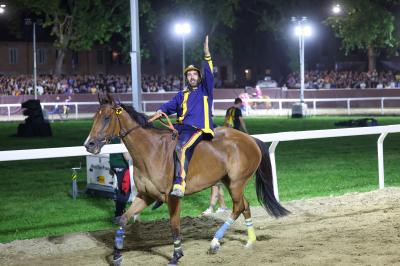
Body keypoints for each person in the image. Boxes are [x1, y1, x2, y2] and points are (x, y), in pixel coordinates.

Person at [155, 35, 214, 198]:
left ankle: (179, 184)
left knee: (181, 147)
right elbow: (170, 106)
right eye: (189, 75)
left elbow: (209, 73)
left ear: (199, 77)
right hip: (180, 127)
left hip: (198, 128)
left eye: (195, 74)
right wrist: (161, 110)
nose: (192, 77)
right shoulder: (182, 94)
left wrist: (207, 54)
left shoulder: (206, 89)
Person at [109, 137, 132, 224]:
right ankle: (118, 216)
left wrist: (111, 167)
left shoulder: (113, 136)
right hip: (123, 166)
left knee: (121, 190)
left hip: (115, 165)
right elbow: (126, 156)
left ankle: (119, 213)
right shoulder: (123, 136)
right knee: (125, 191)